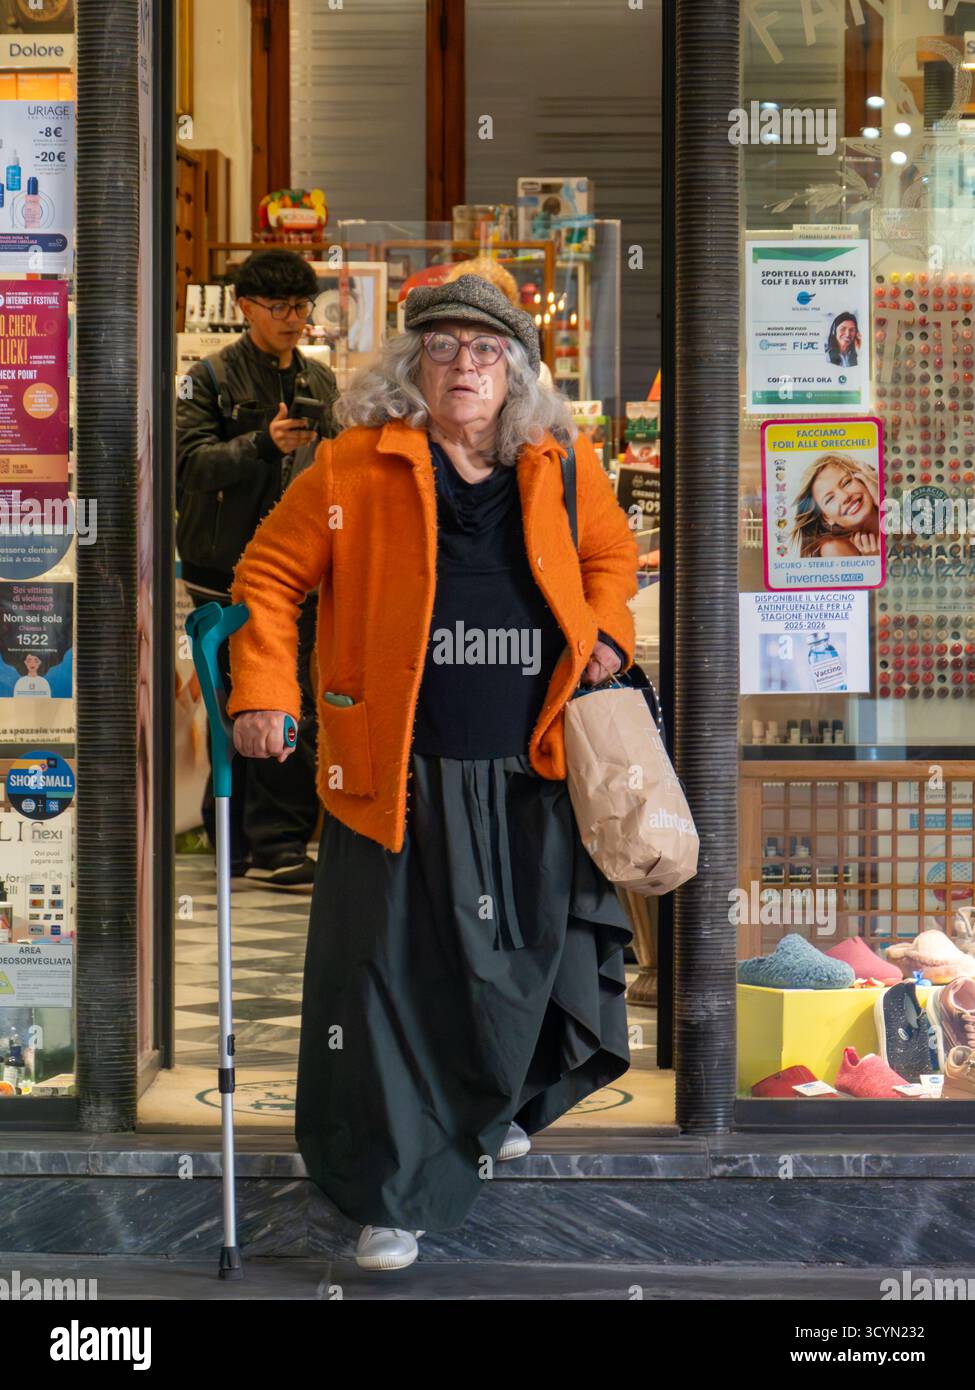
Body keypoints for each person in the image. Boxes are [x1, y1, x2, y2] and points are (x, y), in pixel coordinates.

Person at [226, 275, 639, 1269]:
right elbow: (269, 576)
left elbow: (610, 562)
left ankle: (490, 1103)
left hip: (527, 767)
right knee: (390, 987)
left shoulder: (563, 465)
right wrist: (262, 693)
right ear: (414, 365)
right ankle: (388, 1199)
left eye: (485, 350)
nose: (464, 366)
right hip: (393, 773)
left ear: (517, 370)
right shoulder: (352, 465)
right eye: (445, 348)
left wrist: (607, 637)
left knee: (514, 963)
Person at [176, 249, 338, 889]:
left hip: (300, 570)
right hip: (221, 571)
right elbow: (187, 466)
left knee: (288, 694)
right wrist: (261, 444)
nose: (295, 319)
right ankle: (248, 844)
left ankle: (273, 844)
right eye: (280, 307)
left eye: (302, 306)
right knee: (240, 701)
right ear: (245, 308)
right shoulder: (210, 378)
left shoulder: (321, 383)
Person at [444, 255, 555, 387]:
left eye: (493, 305)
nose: (480, 316)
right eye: (467, 304)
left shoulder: (534, 375)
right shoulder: (439, 367)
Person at [790, 452, 881, 558]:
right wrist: (872, 560)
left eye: (846, 483)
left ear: (863, 479)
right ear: (826, 517)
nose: (844, 497)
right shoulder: (833, 548)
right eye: (829, 499)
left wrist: (883, 497)